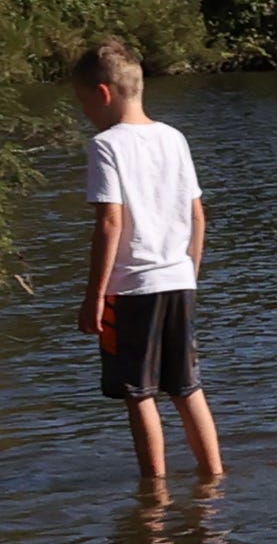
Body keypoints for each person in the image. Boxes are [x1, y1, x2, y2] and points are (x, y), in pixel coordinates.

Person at [75, 37, 221, 485]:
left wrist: (93, 297)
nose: (86, 114)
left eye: (84, 104)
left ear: (103, 93)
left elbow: (110, 225)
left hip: (132, 287)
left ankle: (153, 494)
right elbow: (198, 215)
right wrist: (188, 274)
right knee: (186, 388)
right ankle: (214, 478)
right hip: (179, 279)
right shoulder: (173, 138)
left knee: (138, 393)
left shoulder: (107, 145)